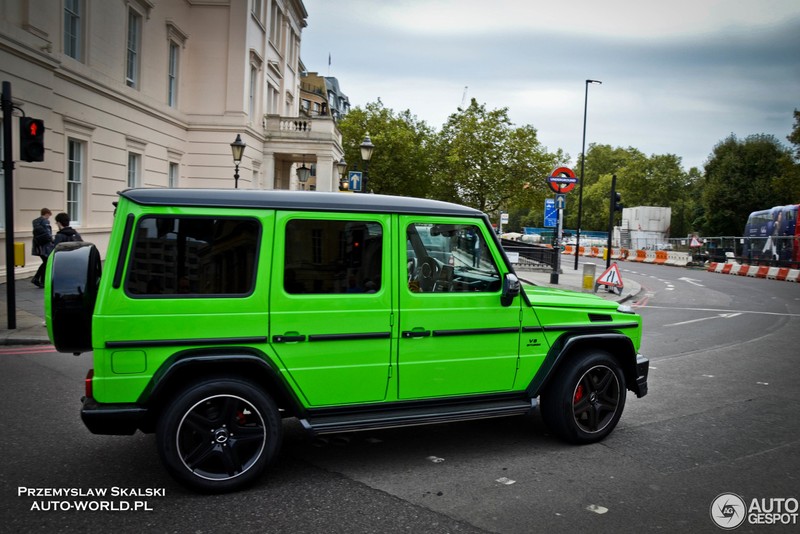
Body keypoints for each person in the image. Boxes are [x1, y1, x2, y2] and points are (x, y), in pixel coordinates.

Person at [31, 208, 54, 288]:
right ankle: (38, 279)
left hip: (37, 245)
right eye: (49, 215)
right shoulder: (45, 222)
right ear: (47, 213)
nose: (49, 217)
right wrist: (52, 241)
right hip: (45, 246)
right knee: (46, 262)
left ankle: (40, 280)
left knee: (45, 262)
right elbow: (48, 234)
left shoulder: (35, 222)